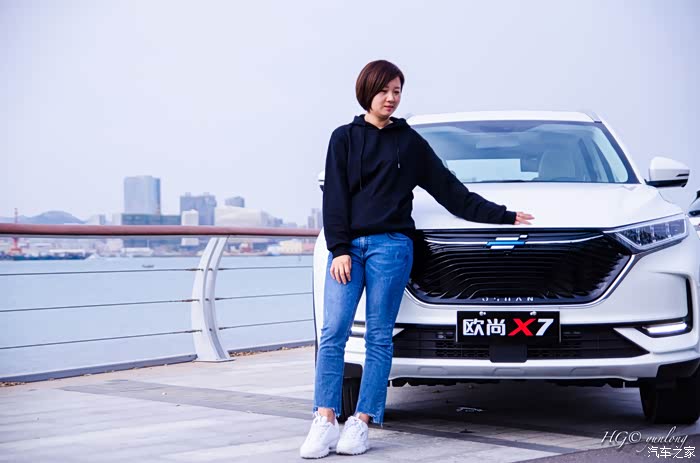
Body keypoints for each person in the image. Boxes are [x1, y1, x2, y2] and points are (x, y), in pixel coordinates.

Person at [299, 59, 534, 459]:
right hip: (349, 249)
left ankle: (361, 422)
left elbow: (452, 192)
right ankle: (324, 419)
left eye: (397, 91)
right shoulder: (343, 138)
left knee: (378, 336)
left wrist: (504, 215)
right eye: (384, 90)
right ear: (366, 92)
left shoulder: (409, 143)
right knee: (334, 332)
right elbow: (334, 198)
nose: (391, 98)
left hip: (392, 247)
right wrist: (339, 249)